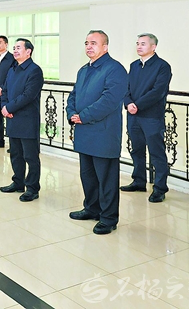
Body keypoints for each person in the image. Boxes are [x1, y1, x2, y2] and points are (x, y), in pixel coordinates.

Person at [66, 30, 127, 235]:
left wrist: (84, 116)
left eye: (93, 43)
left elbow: (109, 100)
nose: (89, 46)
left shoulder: (115, 69)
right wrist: (72, 113)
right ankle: (92, 208)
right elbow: (73, 95)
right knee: (88, 175)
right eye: (86, 43)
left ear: (105, 47)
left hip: (103, 133)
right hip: (84, 131)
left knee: (106, 179)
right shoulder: (84, 70)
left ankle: (108, 218)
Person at [121, 34, 172, 203]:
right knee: (136, 150)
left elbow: (158, 91)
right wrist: (128, 103)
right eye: (137, 43)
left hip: (151, 116)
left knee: (156, 153)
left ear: (153, 47)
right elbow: (126, 88)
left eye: (143, 44)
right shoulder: (134, 65)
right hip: (133, 115)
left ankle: (160, 188)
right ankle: (139, 181)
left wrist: (138, 105)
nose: (139, 46)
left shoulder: (162, 66)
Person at [0, 38, 44, 202]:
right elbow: (4, 91)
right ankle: (18, 182)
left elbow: (28, 95)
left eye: (18, 48)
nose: (15, 51)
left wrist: (9, 108)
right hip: (12, 118)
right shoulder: (12, 69)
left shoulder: (34, 70)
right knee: (16, 154)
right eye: (14, 48)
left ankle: (32, 188)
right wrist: (4, 107)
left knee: (30, 156)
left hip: (27, 120)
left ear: (28, 51)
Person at [0, 35, 14, 149]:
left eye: (0, 42)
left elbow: (12, 76)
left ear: (6, 44)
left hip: (8, 93)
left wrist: (3, 88)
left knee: (10, 117)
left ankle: (13, 145)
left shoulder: (12, 58)